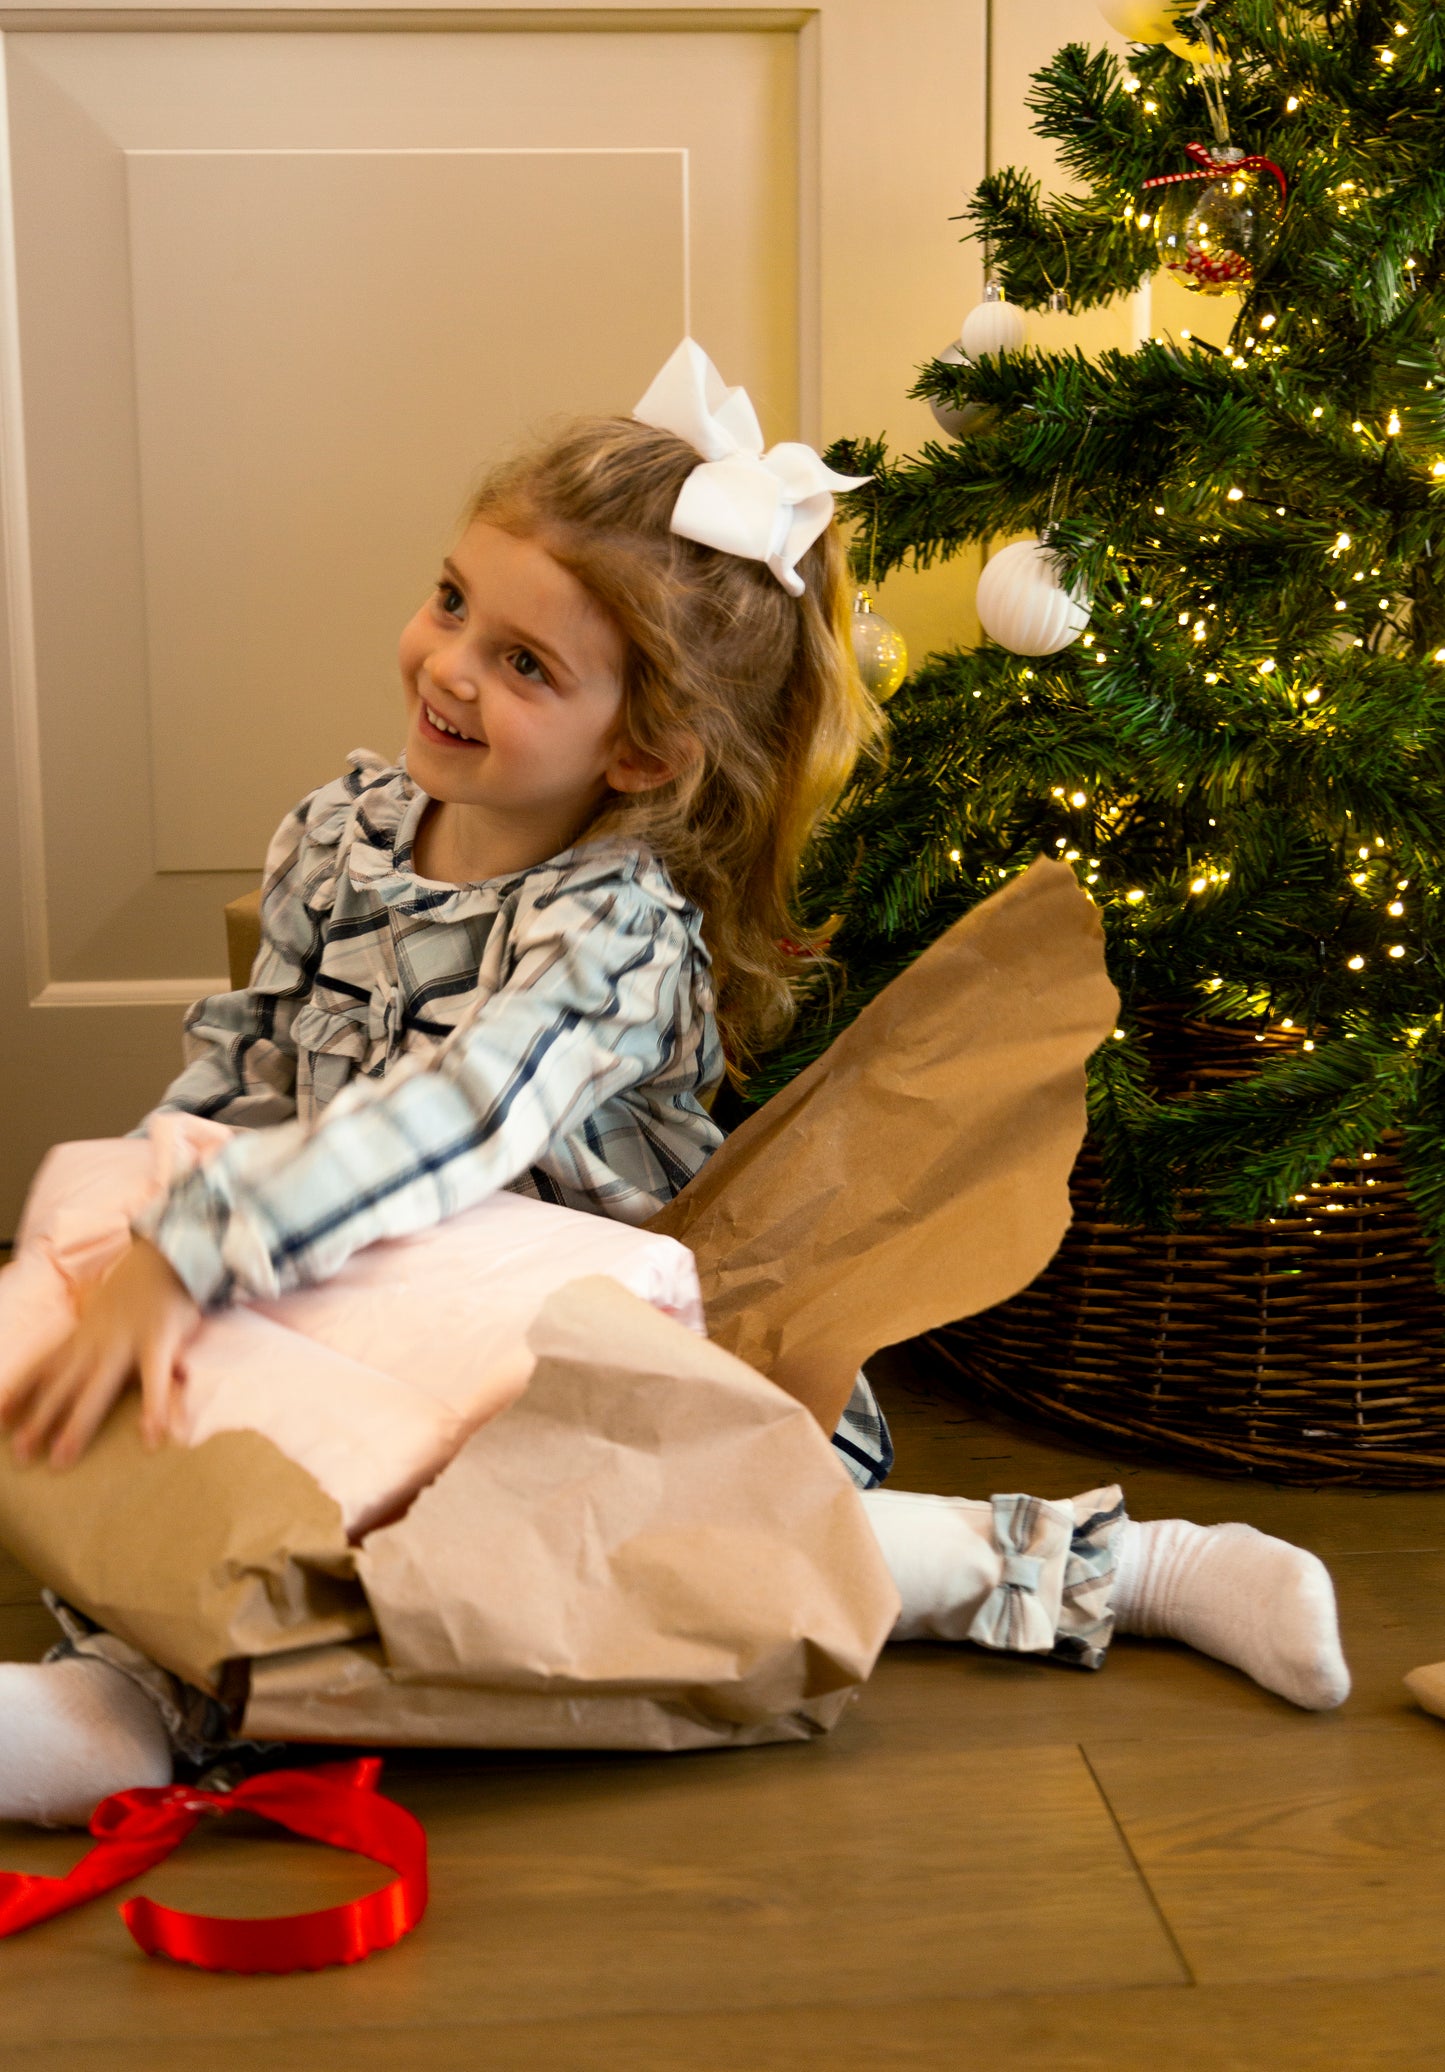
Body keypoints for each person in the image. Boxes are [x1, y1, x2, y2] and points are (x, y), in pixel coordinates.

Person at [0, 342, 1348, 1826]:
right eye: (455, 601)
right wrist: (133, 1241)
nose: (450, 665)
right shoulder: (339, 830)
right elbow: (244, 1062)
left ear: (641, 752)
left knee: (685, 1538)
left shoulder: (611, 931)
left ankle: (1109, 1567)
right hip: (323, 1265)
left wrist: (205, 1252)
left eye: (526, 665)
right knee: (163, 1398)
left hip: (559, 1345)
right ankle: (134, 1660)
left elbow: (453, 1126)